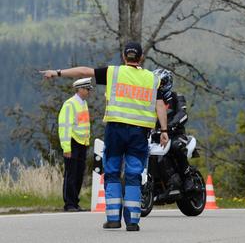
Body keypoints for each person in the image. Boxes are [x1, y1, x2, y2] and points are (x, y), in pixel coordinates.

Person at [41, 42, 169, 232]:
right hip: (139, 133)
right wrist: (164, 130)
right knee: (134, 174)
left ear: (125, 57)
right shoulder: (151, 79)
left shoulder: (113, 73)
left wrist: (57, 72)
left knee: (112, 172)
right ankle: (133, 221)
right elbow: (160, 105)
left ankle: (113, 219)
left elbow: (84, 71)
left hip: (116, 130)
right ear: (141, 58)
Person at [151, 69, 194, 193]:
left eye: (161, 83)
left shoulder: (176, 97)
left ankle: (187, 177)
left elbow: (182, 114)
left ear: (168, 83)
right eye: (156, 84)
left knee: (176, 146)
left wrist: (171, 125)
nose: (159, 86)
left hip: (176, 133)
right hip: (156, 136)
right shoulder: (150, 100)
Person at [58, 78, 93, 212]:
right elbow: (65, 127)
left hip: (81, 143)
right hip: (72, 142)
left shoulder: (83, 104)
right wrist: (66, 147)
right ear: (79, 89)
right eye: (86, 89)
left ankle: (75, 201)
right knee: (71, 174)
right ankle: (69, 203)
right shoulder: (70, 104)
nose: (88, 92)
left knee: (79, 173)